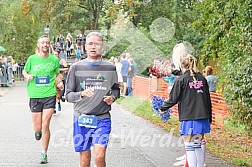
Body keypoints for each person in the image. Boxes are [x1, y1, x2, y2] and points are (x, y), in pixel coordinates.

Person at [65, 31, 120, 167]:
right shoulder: (76, 68)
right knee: (85, 160)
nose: (93, 47)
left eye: (97, 44)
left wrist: (112, 98)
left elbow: (116, 90)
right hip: (81, 118)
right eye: (90, 44)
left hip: (102, 118)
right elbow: (68, 96)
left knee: (99, 156)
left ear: (102, 47)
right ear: (85, 47)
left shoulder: (110, 68)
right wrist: (81, 94)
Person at [160, 55, 212, 167]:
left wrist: (162, 108)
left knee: (189, 145)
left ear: (181, 65)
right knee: (198, 144)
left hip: (190, 116)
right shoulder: (202, 79)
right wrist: (209, 117)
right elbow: (208, 99)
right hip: (203, 116)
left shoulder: (181, 79)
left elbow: (173, 98)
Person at [22, 35, 64, 164]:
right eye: (42, 43)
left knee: (46, 124)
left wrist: (59, 83)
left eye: (47, 43)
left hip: (49, 95)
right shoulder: (32, 59)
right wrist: (27, 76)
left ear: (49, 45)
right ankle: (37, 131)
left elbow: (57, 74)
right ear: (38, 45)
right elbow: (24, 71)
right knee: (38, 127)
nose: (45, 45)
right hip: (34, 95)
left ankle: (44, 153)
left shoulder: (54, 59)